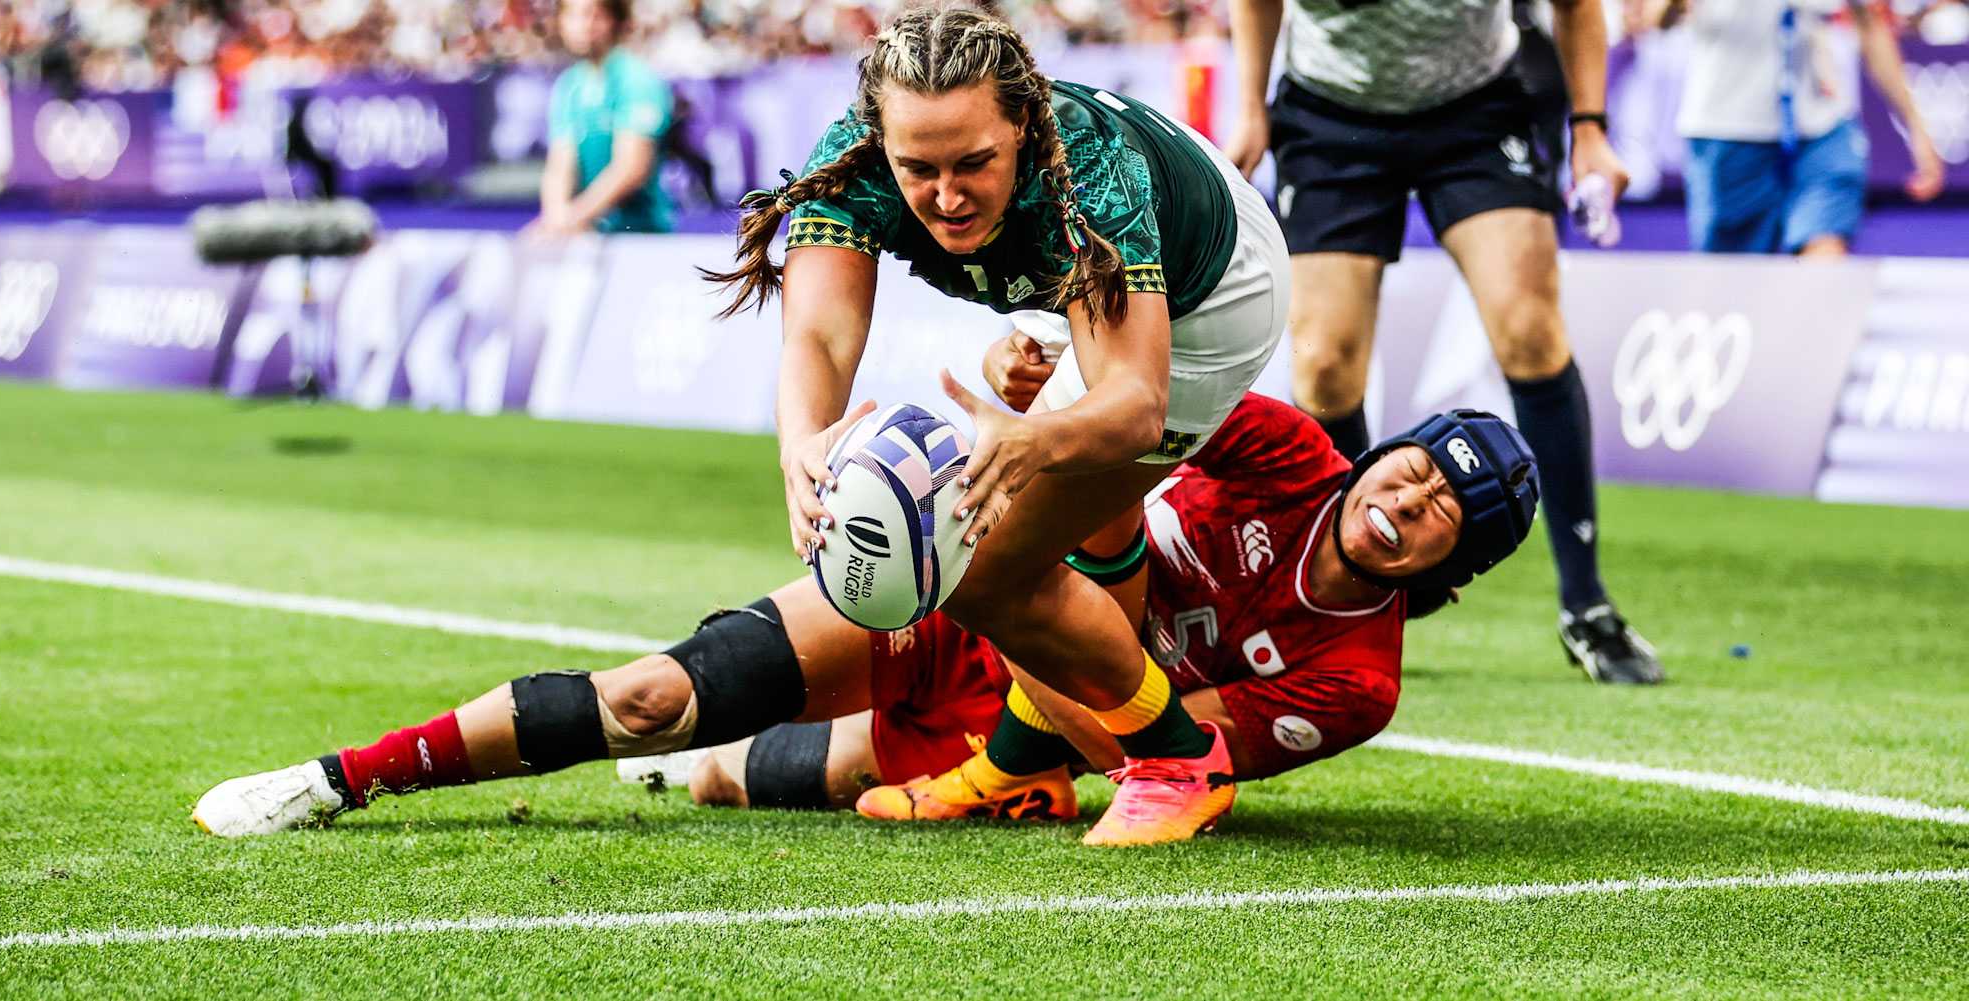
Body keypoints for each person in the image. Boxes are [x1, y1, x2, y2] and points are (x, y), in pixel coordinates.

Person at [190, 396, 1541, 837]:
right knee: (655, 697)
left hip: (1032, 711)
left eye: (1442, 512)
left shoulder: (1358, 682)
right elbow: (1116, 411)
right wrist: (1027, 391)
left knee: (745, 779)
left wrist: (1085, 590)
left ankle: (732, 767)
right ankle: (338, 777)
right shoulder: (1286, 447)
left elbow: (1161, 752)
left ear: (1452, 563)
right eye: (1413, 468)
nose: (1406, 499)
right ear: (1381, 453)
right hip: (963, 598)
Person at [702, 5, 1291, 844]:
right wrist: (801, 446)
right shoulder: (854, 160)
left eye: (973, 163)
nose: (946, 197)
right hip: (1080, 275)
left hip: (1215, 295)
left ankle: (1178, 760)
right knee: (1006, 539)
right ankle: (1023, 767)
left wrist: (1035, 438)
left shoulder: (1090, 174)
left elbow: (1134, 404)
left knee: (979, 565)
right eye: (918, 169)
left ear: (1021, 123)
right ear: (881, 141)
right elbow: (819, 337)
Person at [1224, 0, 1665, 685]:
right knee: (1324, 367)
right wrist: (1251, 105)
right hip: (1329, 114)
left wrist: (1590, 130)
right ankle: (1355, 604)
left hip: (1476, 110)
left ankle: (1587, 604)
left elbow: (1576, 5)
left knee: (1531, 331)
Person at [1655, 0, 1945, 255]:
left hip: (1822, 124)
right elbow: (1657, 16)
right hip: (1730, 129)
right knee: (1731, 278)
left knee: (1825, 251)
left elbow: (1869, 25)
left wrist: (1917, 127)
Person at [524, 0, 676, 238]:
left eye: (593, 15)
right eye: (572, 15)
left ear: (614, 20)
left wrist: (572, 218)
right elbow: (560, 164)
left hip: (639, 235)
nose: (583, 26)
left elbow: (631, 167)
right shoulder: (569, 85)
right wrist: (556, 217)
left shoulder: (636, 79)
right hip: (589, 234)